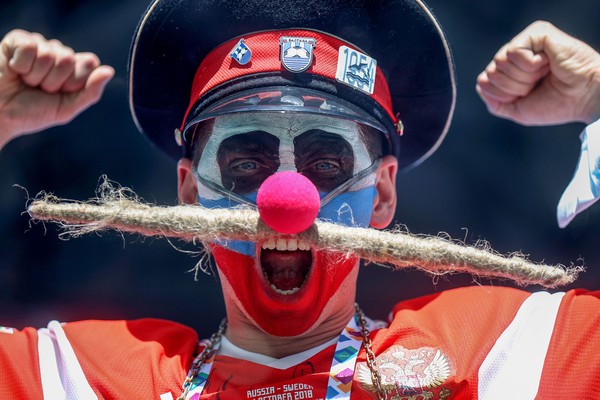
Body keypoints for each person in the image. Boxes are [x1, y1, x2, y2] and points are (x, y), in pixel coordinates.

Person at [0, 1, 599, 399]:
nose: (287, 199)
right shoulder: (84, 377)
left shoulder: (503, 356)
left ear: (382, 194)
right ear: (188, 195)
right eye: (245, 163)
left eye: (327, 163)